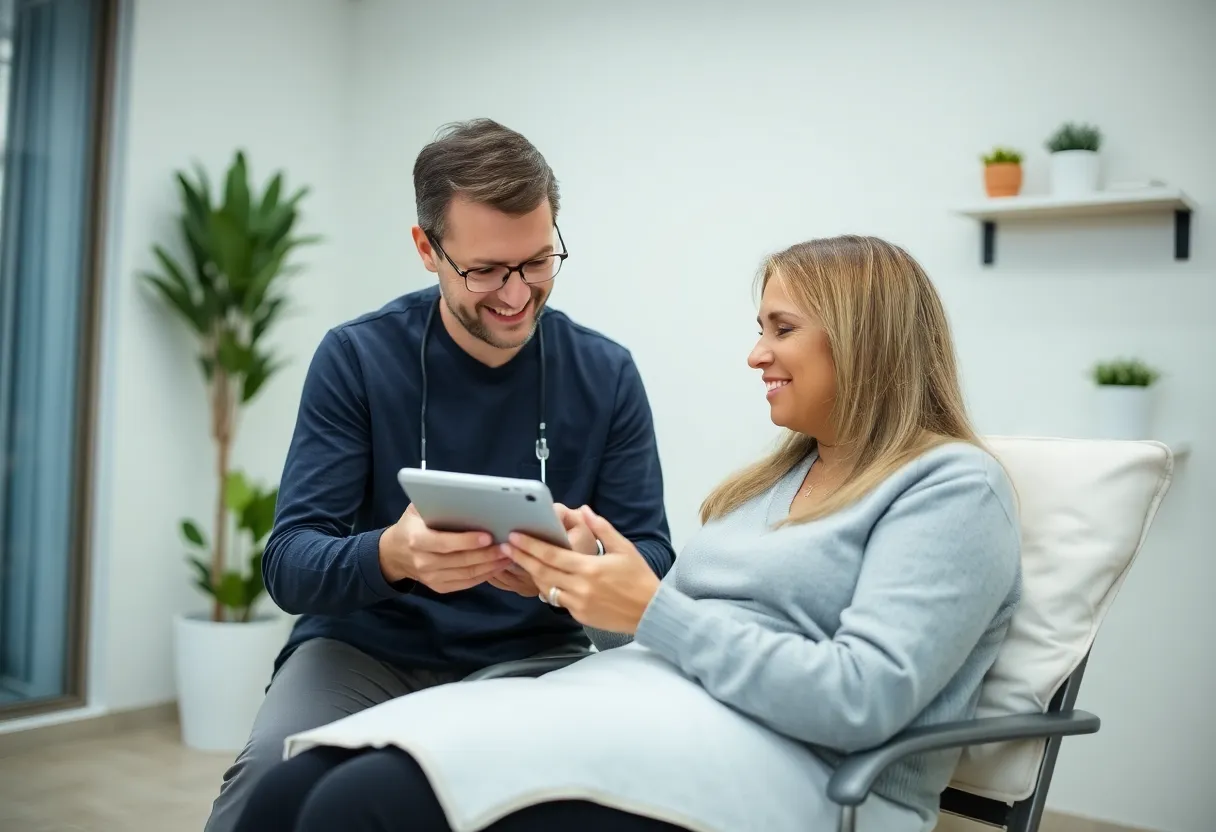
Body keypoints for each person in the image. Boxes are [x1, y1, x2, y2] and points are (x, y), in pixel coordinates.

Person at [232, 235, 1024, 832]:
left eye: (780, 329)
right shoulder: (772, 483)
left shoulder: (953, 490)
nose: (756, 355)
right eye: (760, 328)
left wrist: (648, 608)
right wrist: (585, 583)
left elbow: (863, 701)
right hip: (652, 715)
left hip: (789, 766)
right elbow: (659, 637)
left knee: (366, 807)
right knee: (287, 791)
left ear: (862, 341)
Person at [202, 119, 676, 832]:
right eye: (485, 270)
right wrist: (391, 555)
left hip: (535, 655)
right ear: (427, 249)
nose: (516, 294)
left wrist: (581, 571)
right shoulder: (357, 359)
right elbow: (289, 565)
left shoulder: (605, 374)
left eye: (538, 261)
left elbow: (654, 565)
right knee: (274, 777)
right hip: (363, 647)